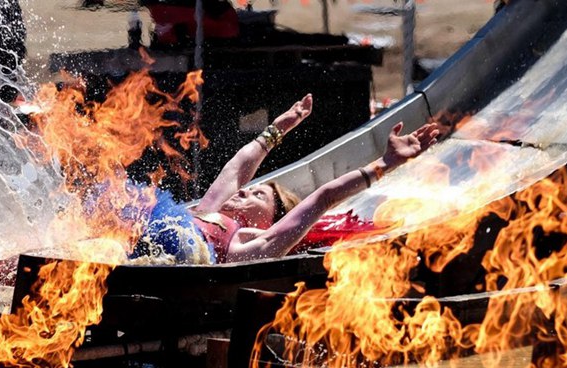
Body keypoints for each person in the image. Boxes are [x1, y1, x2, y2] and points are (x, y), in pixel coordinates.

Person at [135, 93, 439, 263]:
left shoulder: (248, 246)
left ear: (268, 221)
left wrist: (385, 163)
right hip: (136, 247)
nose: (245, 191)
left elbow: (324, 197)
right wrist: (279, 127)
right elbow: (237, 169)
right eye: (252, 189)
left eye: (259, 195)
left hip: (172, 265)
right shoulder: (208, 209)